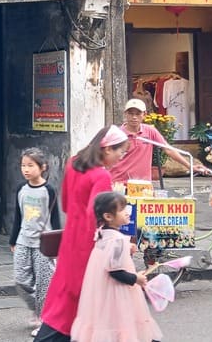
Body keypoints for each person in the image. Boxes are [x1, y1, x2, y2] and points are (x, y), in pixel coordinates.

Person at [34, 125, 128, 342]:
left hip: (70, 241)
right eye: (119, 152)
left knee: (66, 296)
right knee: (82, 301)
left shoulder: (73, 163)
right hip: (89, 245)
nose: (120, 158)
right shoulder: (101, 176)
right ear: (106, 149)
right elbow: (97, 216)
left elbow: (66, 204)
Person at [70, 191, 163, 342]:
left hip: (103, 290)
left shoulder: (102, 233)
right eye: (122, 210)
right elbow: (115, 271)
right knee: (123, 325)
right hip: (117, 291)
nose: (127, 213)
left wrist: (127, 246)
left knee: (108, 323)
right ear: (108, 216)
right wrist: (136, 278)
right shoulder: (117, 241)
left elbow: (110, 252)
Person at [9, 147, 60, 336]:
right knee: (20, 280)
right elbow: (17, 216)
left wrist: (57, 244)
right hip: (23, 240)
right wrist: (13, 240)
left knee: (44, 284)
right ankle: (36, 308)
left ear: (42, 167)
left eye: (30, 165)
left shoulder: (49, 190)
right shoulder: (21, 189)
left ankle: (44, 321)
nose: (26, 169)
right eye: (23, 165)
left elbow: (55, 219)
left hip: (44, 243)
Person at [110, 98, 203, 184]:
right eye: (130, 113)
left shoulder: (150, 131)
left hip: (143, 185)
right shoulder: (117, 133)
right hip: (119, 183)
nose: (134, 117)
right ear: (125, 114)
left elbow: (168, 149)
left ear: (144, 115)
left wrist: (189, 166)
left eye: (138, 114)